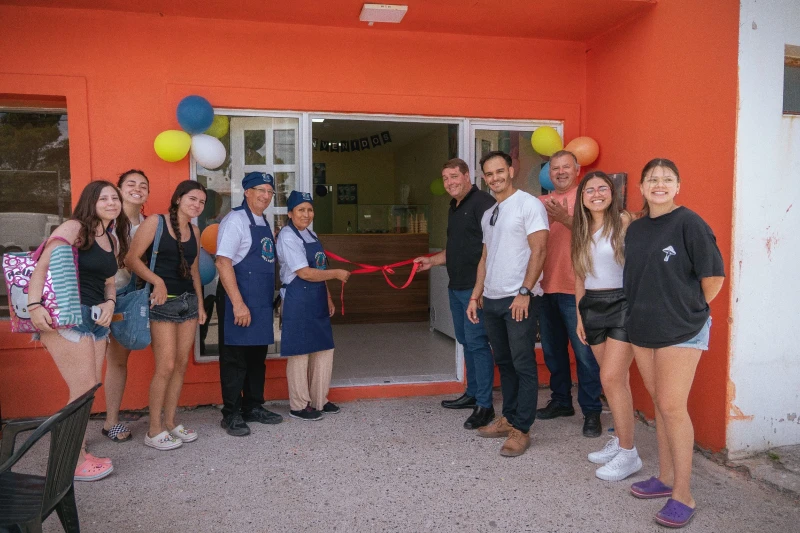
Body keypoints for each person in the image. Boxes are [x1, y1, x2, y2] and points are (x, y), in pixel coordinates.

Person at [624, 159, 724, 528]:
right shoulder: (636, 229)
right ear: (642, 186)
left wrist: (689, 310)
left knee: (671, 406)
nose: (659, 184)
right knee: (659, 406)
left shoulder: (690, 223)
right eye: (652, 179)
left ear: (678, 185)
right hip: (643, 329)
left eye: (667, 179)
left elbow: (713, 278)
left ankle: (684, 493)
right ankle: (665, 478)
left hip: (681, 329)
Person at [28, 180, 130, 481]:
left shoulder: (112, 238)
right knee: (84, 387)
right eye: (104, 198)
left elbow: (109, 281)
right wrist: (35, 306)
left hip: (95, 318)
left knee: (87, 388)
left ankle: (77, 447)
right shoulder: (75, 228)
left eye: (115, 198)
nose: (112, 203)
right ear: (90, 202)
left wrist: (111, 302)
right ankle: (70, 461)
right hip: (64, 317)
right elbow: (41, 267)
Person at [466, 151, 548, 457]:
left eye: (500, 171)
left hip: (519, 299)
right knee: (505, 363)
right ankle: (509, 417)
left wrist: (525, 292)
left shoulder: (529, 204)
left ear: (511, 171)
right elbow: (485, 258)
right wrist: (476, 296)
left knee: (523, 363)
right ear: (484, 178)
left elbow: (539, 251)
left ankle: (521, 429)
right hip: (492, 299)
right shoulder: (490, 213)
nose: (495, 178)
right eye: (489, 174)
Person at [414, 158, 497, 429]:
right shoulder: (455, 206)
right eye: (445, 178)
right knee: (466, 343)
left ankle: (485, 406)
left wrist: (480, 291)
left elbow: (490, 250)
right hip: (456, 286)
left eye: (454, 176)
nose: (449, 182)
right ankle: (473, 394)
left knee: (477, 345)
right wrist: (432, 260)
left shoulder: (483, 203)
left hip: (474, 290)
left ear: (467, 175)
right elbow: (458, 249)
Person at [126, 180, 207, 450]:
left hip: (188, 303)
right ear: (178, 199)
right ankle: (153, 430)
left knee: (182, 365)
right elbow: (132, 259)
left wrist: (201, 305)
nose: (197, 205)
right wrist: (157, 282)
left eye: (202, 202)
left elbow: (194, 270)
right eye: (192, 199)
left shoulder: (195, 230)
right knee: (166, 366)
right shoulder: (156, 223)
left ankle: (171, 422)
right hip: (161, 304)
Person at [572, 171, 641, 481]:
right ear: (582, 197)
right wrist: (579, 317)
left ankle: (629, 456)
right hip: (592, 306)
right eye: (590, 189)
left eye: (603, 188)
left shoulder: (624, 221)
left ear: (612, 194)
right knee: (616, 381)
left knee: (611, 377)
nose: (596, 193)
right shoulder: (582, 228)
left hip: (623, 304)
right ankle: (621, 441)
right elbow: (579, 277)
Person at [536, 150, 603, 438]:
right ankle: (561, 401)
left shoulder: (589, 197)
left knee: (584, 355)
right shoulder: (538, 202)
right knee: (553, 352)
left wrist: (565, 218)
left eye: (566, 167)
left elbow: (596, 236)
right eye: (555, 168)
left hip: (575, 289)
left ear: (576, 170)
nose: (560, 172)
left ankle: (591, 413)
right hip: (543, 287)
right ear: (548, 173)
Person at [215, 172, 284, 436]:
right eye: (260, 190)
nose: (266, 196)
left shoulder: (263, 220)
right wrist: (238, 304)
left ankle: (253, 406)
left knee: (257, 358)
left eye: (270, 191)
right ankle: (231, 414)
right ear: (246, 192)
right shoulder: (236, 220)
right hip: (240, 299)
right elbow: (223, 262)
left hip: (261, 302)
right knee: (235, 359)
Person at [277, 190, 350, 421]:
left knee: (323, 348)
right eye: (301, 210)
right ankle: (299, 405)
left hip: (317, 296)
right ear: (290, 213)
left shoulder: (311, 234)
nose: (306, 214)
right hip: (298, 297)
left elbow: (318, 271)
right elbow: (305, 272)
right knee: (300, 352)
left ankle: (320, 399)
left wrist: (327, 296)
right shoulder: (288, 237)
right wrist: (337, 273)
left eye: (309, 209)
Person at [102, 169, 150, 443]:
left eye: (143, 185)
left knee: (122, 360)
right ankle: (110, 422)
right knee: (109, 361)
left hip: (139, 299)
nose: (137, 188)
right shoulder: (104, 223)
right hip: (109, 297)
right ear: (119, 190)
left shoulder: (149, 223)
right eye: (130, 183)